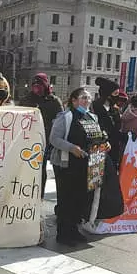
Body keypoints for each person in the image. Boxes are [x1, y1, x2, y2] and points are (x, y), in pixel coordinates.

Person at [50, 88, 114, 246]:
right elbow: (54, 139)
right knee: (66, 200)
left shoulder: (92, 117)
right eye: (83, 97)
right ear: (74, 100)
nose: (87, 101)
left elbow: (97, 137)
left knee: (80, 199)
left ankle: (74, 230)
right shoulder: (66, 117)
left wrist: (105, 144)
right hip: (67, 165)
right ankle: (63, 234)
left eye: (89, 98)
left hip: (88, 165)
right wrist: (72, 148)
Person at [21, 73, 63, 198]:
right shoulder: (27, 99)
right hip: (28, 140)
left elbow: (60, 120)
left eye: (39, 85)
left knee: (40, 169)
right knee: (26, 169)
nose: (36, 88)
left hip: (45, 141)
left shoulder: (54, 101)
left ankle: (39, 196)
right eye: (34, 85)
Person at [92, 77, 122, 167]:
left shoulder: (115, 109)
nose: (117, 96)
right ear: (107, 93)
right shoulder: (95, 106)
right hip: (99, 146)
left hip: (114, 146)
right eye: (115, 93)